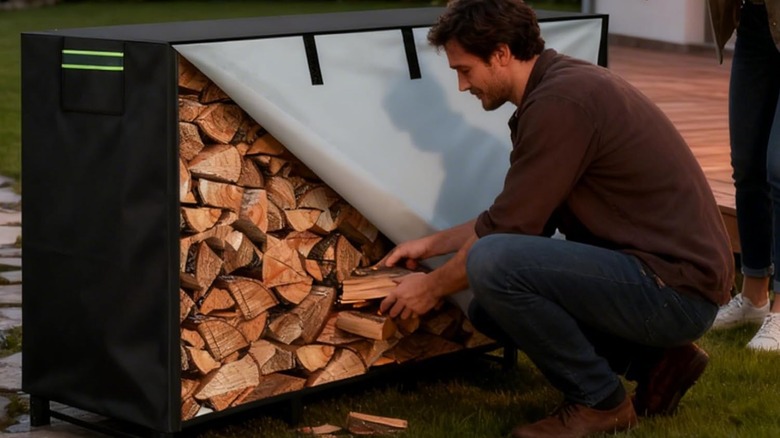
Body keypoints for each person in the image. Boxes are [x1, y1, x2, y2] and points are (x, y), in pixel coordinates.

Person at [377, 0, 735, 436]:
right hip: (665, 278)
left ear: (502, 53)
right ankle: (660, 363)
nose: (461, 85)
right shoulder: (558, 89)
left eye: (465, 70)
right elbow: (516, 216)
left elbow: (506, 235)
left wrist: (430, 288)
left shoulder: (561, 103)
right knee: (490, 307)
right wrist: (431, 245)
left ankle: (601, 403)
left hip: (675, 289)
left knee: (491, 265)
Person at [707, 0, 780, 351]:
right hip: (755, 20)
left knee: (779, 168)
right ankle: (754, 297)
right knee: (747, 164)